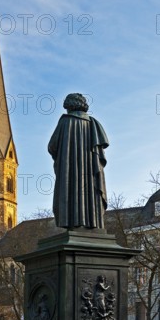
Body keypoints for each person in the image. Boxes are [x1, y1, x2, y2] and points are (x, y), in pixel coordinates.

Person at [48, 93, 109, 229]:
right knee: (91, 191)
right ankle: (93, 222)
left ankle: (72, 222)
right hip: (90, 172)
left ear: (69, 106)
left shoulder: (65, 122)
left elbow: (52, 146)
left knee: (70, 190)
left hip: (69, 171)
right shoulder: (94, 124)